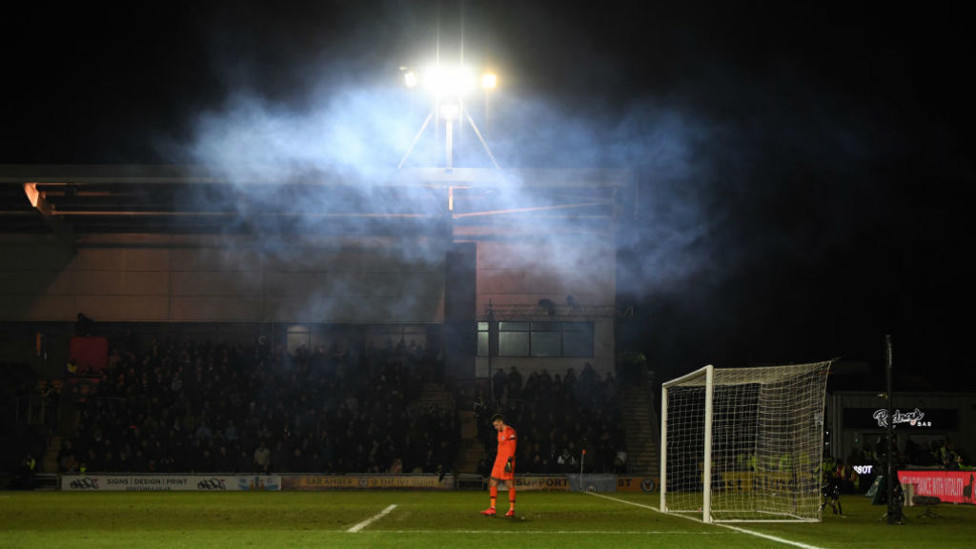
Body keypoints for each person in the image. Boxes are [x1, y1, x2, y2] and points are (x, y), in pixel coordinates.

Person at [482, 414, 517, 517]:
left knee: (509, 484)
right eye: (494, 426)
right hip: (499, 461)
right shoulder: (499, 432)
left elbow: (513, 448)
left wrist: (509, 462)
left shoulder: (510, 432)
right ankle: (492, 508)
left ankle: (511, 509)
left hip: (507, 460)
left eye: (496, 425)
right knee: (492, 481)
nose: (495, 427)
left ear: (501, 422)